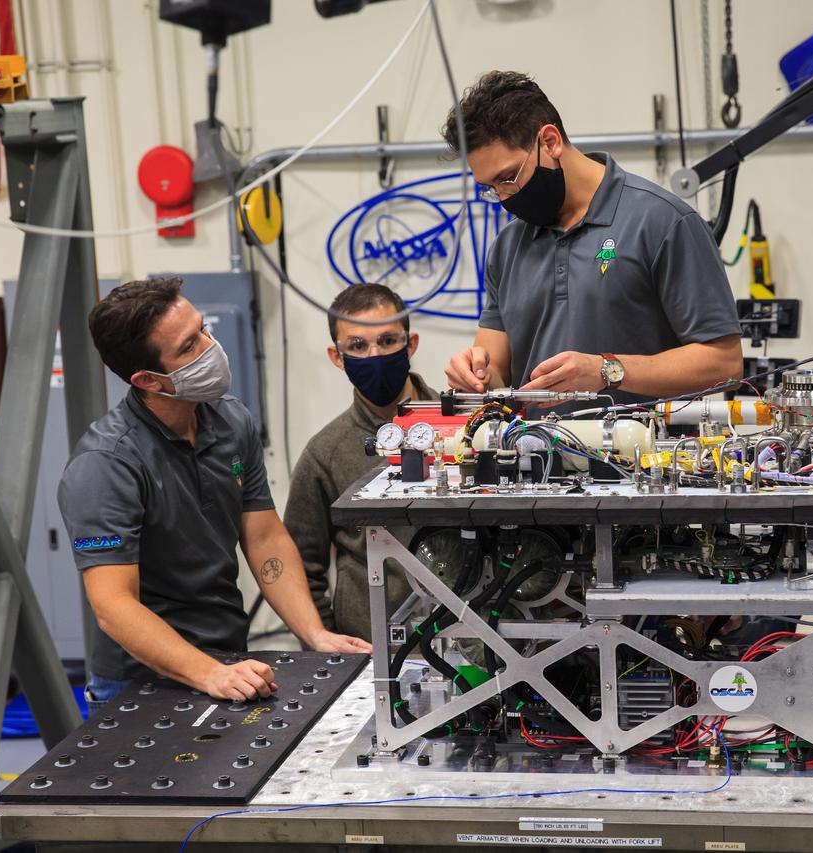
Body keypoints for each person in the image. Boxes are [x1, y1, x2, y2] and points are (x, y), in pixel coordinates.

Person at [58, 277, 370, 716]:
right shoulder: (106, 464)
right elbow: (113, 605)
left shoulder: (231, 422)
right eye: (189, 347)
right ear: (148, 380)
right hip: (141, 681)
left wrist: (314, 634)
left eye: (203, 329)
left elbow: (264, 539)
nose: (210, 348)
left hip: (227, 657)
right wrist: (208, 673)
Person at [440, 71, 743, 406]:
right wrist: (476, 376)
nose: (504, 196)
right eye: (491, 188)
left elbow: (725, 364)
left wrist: (607, 370)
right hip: (534, 441)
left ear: (550, 142)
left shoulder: (662, 221)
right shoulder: (507, 247)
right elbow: (497, 371)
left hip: (641, 440)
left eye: (508, 177)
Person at [284, 285, 439, 641]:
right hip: (371, 648)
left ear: (411, 344)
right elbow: (301, 568)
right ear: (337, 357)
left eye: (388, 341)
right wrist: (328, 643)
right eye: (357, 346)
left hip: (471, 641)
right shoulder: (324, 454)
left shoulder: (464, 429)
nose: (375, 355)